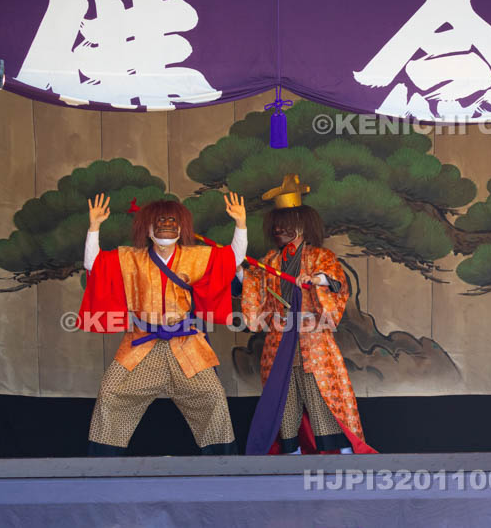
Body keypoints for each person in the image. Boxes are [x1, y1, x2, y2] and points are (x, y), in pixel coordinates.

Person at [77, 193, 248, 456]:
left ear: (181, 228)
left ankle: (221, 464)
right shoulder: (130, 258)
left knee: (212, 397)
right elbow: (95, 264)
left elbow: (231, 261)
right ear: (147, 228)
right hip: (142, 344)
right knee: (111, 393)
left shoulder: (196, 257)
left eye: (172, 220)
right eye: (159, 220)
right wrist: (94, 227)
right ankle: (103, 463)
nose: (166, 224)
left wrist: (241, 224)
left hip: (186, 344)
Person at [242, 174, 373, 455]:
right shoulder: (269, 261)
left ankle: (338, 452)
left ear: (302, 226)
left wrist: (319, 280)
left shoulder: (320, 257)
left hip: (314, 340)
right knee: (283, 400)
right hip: (279, 342)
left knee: (321, 396)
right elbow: (255, 285)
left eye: (285, 226)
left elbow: (337, 281)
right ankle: (291, 452)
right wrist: (242, 274)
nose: (279, 231)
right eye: (276, 227)